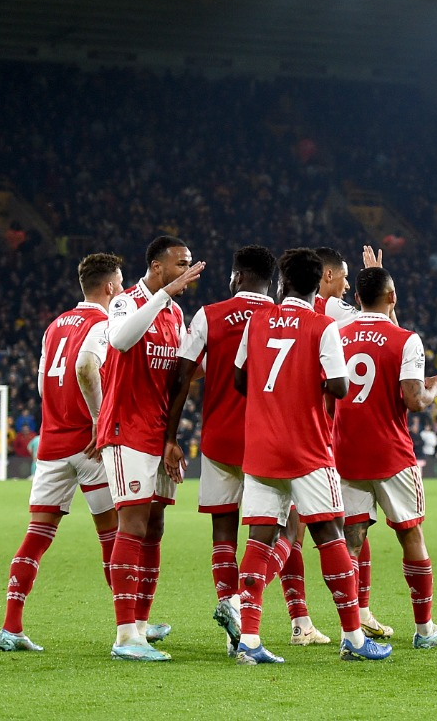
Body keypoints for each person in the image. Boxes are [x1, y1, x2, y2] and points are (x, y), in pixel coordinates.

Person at [231, 247, 393, 665]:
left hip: (261, 448)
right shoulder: (321, 326)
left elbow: (240, 378)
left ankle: (249, 640)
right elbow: (339, 386)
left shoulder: (257, 320)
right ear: (317, 281)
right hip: (306, 446)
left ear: (283, 282)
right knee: (330, 533)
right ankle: (354, 638)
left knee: (260, 539)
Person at [164, 244, 328, 651]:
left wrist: (170, 437)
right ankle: (279, 614)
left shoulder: (209, 315)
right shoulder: (279, 317)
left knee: (224, 530)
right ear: (274, 281)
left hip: (218, 440)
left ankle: (235, 623)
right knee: (286, 528)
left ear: (235, 277)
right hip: (270, 441)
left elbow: (181, 375)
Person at [0, 251, 124, 653]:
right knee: (113, 536)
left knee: (36, 537)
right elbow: (87, 370)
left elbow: (40, 385)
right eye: (120, 283)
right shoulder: (103, 324)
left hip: (52, 445)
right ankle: (131, 626)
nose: (122, 289)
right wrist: (100, 421)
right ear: (109, 287)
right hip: (89, 447)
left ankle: (11, 628)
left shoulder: (54, 327)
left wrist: (58, 417)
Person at [333, 266, 437, 649]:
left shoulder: (335, 334)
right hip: (391, 454)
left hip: (346, 453)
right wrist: (435, 387)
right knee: (411, 535)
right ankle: (424, 630)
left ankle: (349, 634)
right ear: (393, 298)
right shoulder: (406, 340)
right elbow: (413, 400)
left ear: (356, 300)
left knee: (350, 543)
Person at [97, 235, 205, 662]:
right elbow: (122, 341)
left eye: (190, 263)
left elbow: (178, 377)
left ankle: (141, 625)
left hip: (158, 433)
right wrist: (161, 296)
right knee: (134, 523)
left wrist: (172, 438)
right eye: (181, 263)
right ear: (158, 267)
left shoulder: (176, 313)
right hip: (126, 429)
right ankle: (124, 634)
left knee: (155, 526)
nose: (188, 270)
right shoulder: (126, 301)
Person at [313, 243, 395, 639]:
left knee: (338, 529)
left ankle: (304, 620)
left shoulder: (286, 308)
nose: (347, 286)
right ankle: (353, 617)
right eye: (345, 277)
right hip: (324, 437)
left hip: (296, 428)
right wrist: (379, 284)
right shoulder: (333, 311)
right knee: (334, 533)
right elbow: (386, 331)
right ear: (328, 276)